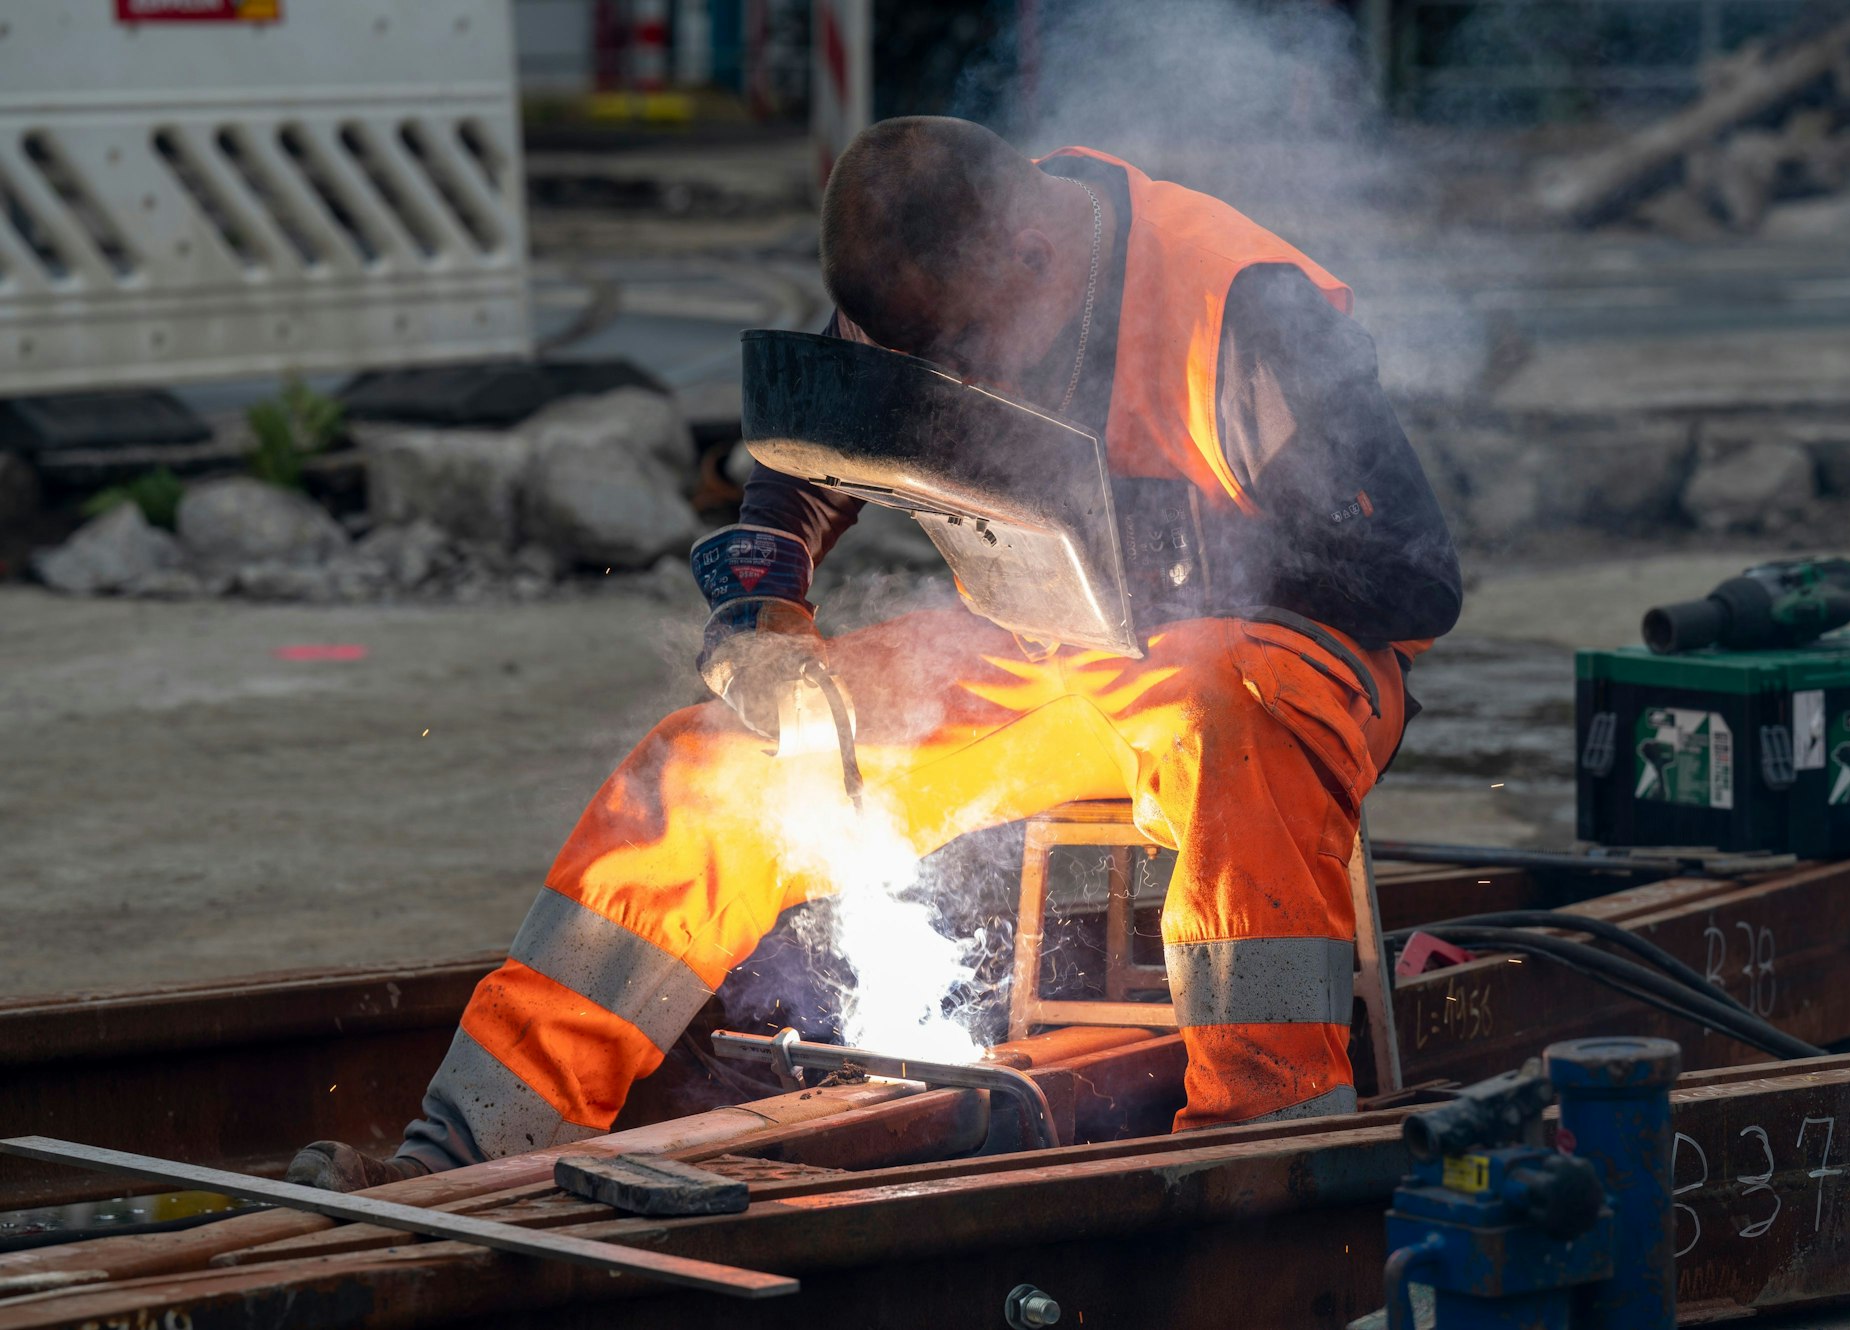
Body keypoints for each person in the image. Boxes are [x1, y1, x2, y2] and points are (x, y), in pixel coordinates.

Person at [289, 116, 1461, 1191]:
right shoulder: (928, 278)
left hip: (1275, 668)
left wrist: (1181, 567)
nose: (954, 384)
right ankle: (470, 1145)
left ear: (1033, 259)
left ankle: (1265, 1138)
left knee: (1218, 694)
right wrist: (762, 621)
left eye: (966, 356)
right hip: (1050, 655)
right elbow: (800, 470)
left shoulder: (1238, 307)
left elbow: (1416, 577)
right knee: (708, 768)